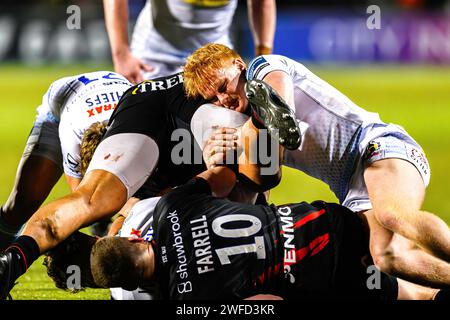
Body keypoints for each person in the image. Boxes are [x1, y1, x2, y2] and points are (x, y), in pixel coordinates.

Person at [0, 71, 299, 299]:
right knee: (21, 206)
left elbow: (86, 213)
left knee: (97, 202)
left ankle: (10, 263)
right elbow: (99, 220)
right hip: (76, 101)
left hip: (145, 104)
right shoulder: (77, 144)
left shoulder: (140, 161)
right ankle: (259, 123)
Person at [182, 43, 450, 288]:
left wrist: (255, 132)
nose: (222, 100)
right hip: (351, 188)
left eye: (222, 87)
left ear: (238, 65)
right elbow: (263, 184)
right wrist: (218, 161)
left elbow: (277, 96)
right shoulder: (245, 128)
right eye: (213, 99)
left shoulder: (262, 67)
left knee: (393, 214)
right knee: (388, 258)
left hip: (372, 146)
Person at [44, 166, 446, 300]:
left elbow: (265, 302)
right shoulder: (167, 210)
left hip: (328, 280)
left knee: (413, 292)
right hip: (324, 223)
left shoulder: (183, 300)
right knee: (394, 242)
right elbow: (221, 175)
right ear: (135, 240)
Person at [0, 71, 132, 251]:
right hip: (62, 103)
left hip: (115, 104)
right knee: (22, 202)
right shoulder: (73, 137)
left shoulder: (139, 132)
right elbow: (80, 204)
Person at [103, 0, 276, 83]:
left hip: (215, 60)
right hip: (154, 58)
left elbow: (263, 3)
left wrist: (263, 61)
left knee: (226, 138)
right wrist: (121, 54)